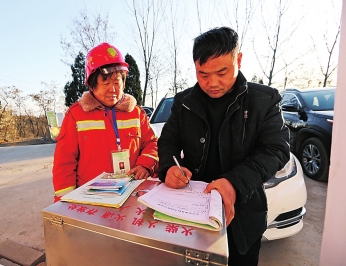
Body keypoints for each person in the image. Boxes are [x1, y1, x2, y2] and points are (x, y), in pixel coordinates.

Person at [157, 27, 289, 265]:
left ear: (238, 59)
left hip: (243, 216)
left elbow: (276, 149)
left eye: (222, 72)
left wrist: (234, 183)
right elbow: (168, 141)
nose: (212, 83)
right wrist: (169, 167)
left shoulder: (265, 100)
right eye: (203, 74)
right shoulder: (183, 102)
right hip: (191, 213)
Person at [53, 42, 158, 202]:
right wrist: (65, 201)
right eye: (106, 83)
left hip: (132, 192)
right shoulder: (76, 115)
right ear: (92, 85)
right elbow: (64, 161)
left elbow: (152, 143)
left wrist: (145, 164)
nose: (113, 89)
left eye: (117, 82)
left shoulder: (136, 113)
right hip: (91, 197)